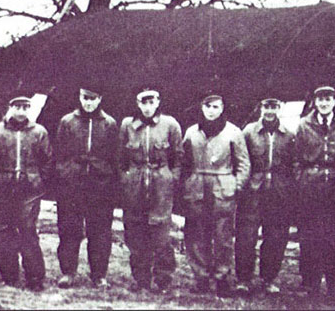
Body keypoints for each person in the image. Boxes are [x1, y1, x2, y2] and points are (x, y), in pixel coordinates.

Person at [294, 85, 335, 303]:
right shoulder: (304, 125)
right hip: (311, 187)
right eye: (320, 100)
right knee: (310, 237)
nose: (324, 104)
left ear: (334, 101)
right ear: (314, 102)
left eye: (328, 99)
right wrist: (302, 179)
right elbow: (296, 159)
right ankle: (310, 284)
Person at [181, 90, 250, 298]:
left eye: (216, 107)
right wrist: (186, 185)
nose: (212, 111)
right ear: (202, 108)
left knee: (223, 235)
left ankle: (222, 278)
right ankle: (201, 276)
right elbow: (184, 162)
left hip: (223, 187)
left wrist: (236, 185)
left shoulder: (233, 132)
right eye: (208, 107)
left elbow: (243, 163)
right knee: (196, 234)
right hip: (198, 187)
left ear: (222, 109)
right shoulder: (192, 132)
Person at [53, 85, 119, 289]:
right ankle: (68, 272)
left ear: (100, 99)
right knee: (69, 229)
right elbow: (59, 154)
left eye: (93, 98)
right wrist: (66, 173)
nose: (88, 103)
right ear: (79, 98)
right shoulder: (67, 122)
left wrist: (106, 177)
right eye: (85, 98)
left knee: (99, 231)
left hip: (99, 186)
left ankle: (99, 275)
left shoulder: (109, 124)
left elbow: (114, 157)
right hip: (72, 186)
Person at [119, 86, 184, 293]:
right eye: (143, 103)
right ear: (138, 104)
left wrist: (171, 178)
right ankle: (140, 279)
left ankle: (163, 280)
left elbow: (178, 157)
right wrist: (126, 178)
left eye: (151, 102)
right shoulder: (128, 125)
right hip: (135, 184)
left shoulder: (170, 124)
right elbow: (120, 157)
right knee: (135, 232)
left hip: (160, 184)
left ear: (157, 103)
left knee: (161, 234)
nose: (147, 107)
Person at [0, 95, 52, 291]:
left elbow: (47, 161)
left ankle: (35, 278)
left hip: (29, 190)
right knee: (2, 230)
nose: (21, 111)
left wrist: (38, 182)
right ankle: (9, 275)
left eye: (25, 107)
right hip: (4, 187)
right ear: (10, 107)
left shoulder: (39, 132)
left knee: (28, 230)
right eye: (17, 106)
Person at [235, 95, 296, 296]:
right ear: (261, 108)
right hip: (253, 192)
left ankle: (268, 279)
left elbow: (293, 164)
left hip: (279, 192)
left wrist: (289, 188)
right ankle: (243, 279)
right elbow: (241, 160)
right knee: (246, 235)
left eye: (275, 107)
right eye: (267, 107)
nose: (270, 111)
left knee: (276, 236)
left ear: (281, 108)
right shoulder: (249, 132)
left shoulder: (289, 134)